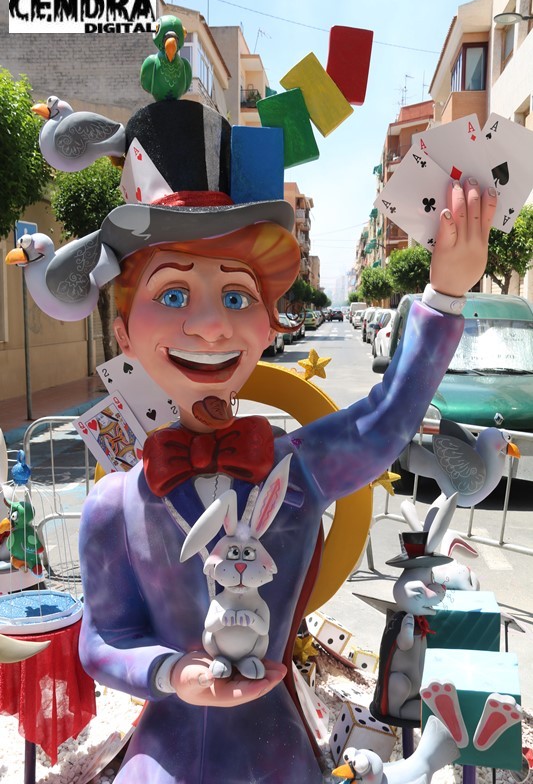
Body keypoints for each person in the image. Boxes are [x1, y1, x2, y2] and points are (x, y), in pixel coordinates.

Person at [16, 98, 497, 783]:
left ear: (269, 325)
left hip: (277, 758)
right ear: (123, 332)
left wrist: (445, 295)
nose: (212, 326)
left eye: (237, 297)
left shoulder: (297, 470)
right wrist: (173, 673)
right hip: (161, 760)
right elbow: (102, 643)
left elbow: (387, 417)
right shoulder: (112, 505)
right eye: (173, 295)